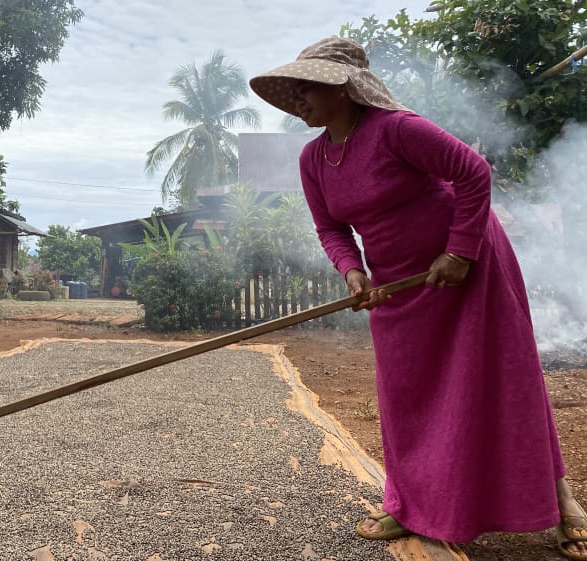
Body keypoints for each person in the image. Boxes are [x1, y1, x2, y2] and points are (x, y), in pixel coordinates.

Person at [249, 37, 587, 559]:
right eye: (292, 90)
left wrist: (459, 252)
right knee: (408, 395)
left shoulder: (397, 129)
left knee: (501, 379)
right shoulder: (312, 158)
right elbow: (331, 228)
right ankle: (408, 504)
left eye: (306, 86)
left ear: (342, 88)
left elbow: (473, 171)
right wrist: (351, 272)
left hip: (468, 267)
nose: (297, 98)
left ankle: (564, 507)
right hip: (397, 286)